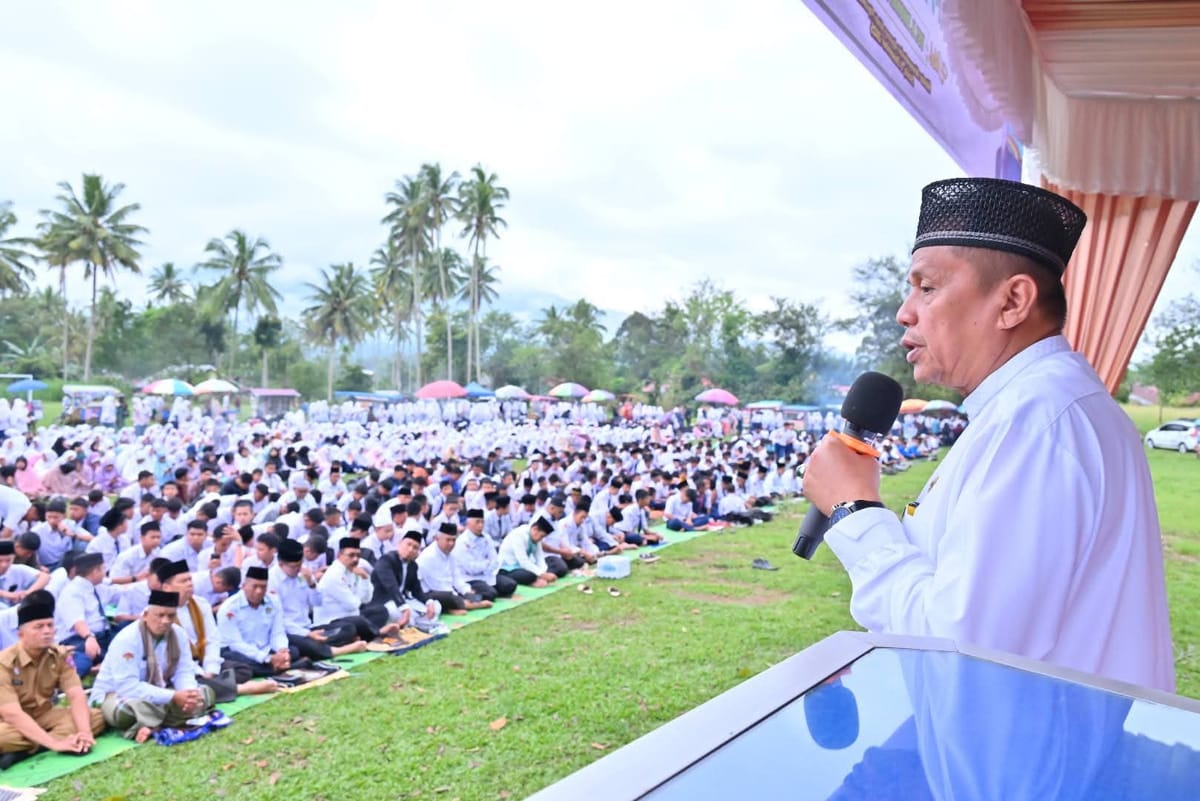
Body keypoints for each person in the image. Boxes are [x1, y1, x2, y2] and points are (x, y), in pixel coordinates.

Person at [802, 177, 1174, 692]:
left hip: (1032, 767)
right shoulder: (1031, 409)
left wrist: (855, 512)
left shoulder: (1038, 424)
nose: (904, 312)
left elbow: (963, 650)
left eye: (927, 287)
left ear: (1012, 301)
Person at [92, 589, 216, 742]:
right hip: (119, 695)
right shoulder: (127, 639)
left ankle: (151, 725)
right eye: (160, 615)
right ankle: (171, 720)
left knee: (205, 693)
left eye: (170, 616)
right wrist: (173, 696)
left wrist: (188, 695)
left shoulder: (179, 634)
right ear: (145, 615)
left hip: (160, 692)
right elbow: (127, 686)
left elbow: (183, 671)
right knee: (124, 712)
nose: (165, 621)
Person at [0, 593, 105, 766]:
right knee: (3, 736)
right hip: (9, 722)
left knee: (96, 717)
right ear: (21, 635)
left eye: (50, 625)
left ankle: (25, 750)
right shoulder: (4, 663)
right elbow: (12, 714)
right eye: (39, 627)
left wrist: (85, 733)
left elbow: (76, 695)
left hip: (44, 715)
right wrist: (56, 743)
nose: (47, 631)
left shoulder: (59, 655)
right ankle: (50, 742)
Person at [369, 532, 445, 634]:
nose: (410, 550)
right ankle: (424, 624)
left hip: (403, 601)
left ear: (418, 552)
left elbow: (416, 590)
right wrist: (404, 608)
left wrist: (428, 602)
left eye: (415, 547)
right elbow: (391, 587)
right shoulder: (386, 560)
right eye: (408, 544)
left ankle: (418, 624)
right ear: (400, 544)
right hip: (385, 602)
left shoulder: (413, 565)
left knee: (435, 607)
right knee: (397, 613)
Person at [55, 553, 118, 677]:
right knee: (83, 661)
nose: (105, 572)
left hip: (102, 635)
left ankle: (102, 667)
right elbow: (77, 621)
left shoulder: (97, 587)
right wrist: (89, 637)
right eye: (103, 568)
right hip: (77, 639)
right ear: (95, 571)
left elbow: (116, 595)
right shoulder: (72, 591)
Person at [416, 523, 493, 614]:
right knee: (449, 597)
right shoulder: (429, 557)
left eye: (453, 540)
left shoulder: (451, 553)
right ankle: (469, 605)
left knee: (486, 594)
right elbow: (438, 585)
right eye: (448, 540)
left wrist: (467, 591)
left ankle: (460, 605)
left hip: (448, 589)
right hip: (429, 593)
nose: (451, 543)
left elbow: (456, 577)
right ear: (437, 539)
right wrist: (459, 597)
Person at [452, 508, 517, 602]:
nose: (480, 525)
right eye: (477, 522)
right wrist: (487, 563)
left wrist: (487, 565)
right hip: (470, 578)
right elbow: (470, 568)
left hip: (487, 575)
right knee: (491, 594)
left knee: (510, 585)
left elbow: (495, 560)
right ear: (468, 523)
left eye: (482, 522)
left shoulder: (486, 537)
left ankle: (483, 592)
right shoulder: (462, 542)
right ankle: (467, 598)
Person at [497, 518, 558, 588]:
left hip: (522, 567)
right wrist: (541, 574)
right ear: (535, 529)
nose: (541, 539)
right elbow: (523, 562)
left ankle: (536, 579)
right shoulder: (519, 535)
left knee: (553, 568)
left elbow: (539, 557)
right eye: (541, 536)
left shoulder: (535, 537)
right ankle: (533, 580)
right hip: (508, 568)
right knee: (531, 575)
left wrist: (544, 572)